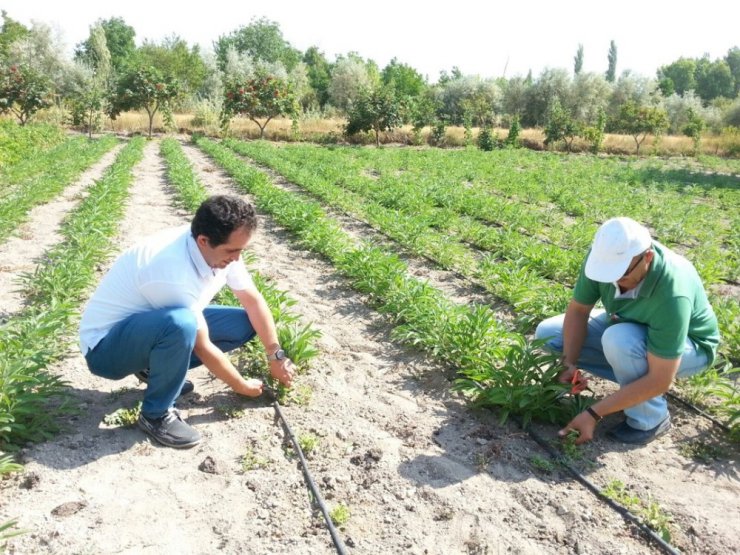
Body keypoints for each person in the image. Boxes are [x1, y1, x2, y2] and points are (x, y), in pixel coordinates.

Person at [80, 195, 295, 449]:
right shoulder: (170, 271)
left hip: (146, 329)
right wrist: (241, 385)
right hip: (106, 350)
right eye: (232, 251)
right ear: (204, 241)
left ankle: (154, 368)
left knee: (244, 322)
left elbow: (252, 300)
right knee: (181, 324)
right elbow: (201, 344)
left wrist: (275, 355)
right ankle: (156, 415)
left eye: (241, 250)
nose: (237, 258)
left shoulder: (219, 247)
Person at [535, 217, 719, 445]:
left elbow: (661, 379)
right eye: (608, 275)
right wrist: (569, 363)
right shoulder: (603, 259)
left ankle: (650, 419)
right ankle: (632, 382)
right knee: (550, 334)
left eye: (622, 275)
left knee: (620, 341)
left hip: (691, 346)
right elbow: (579, 311)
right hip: (626, 322)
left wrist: (594, 413)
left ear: (647, 258)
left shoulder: (673, 291)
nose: (615, 282)